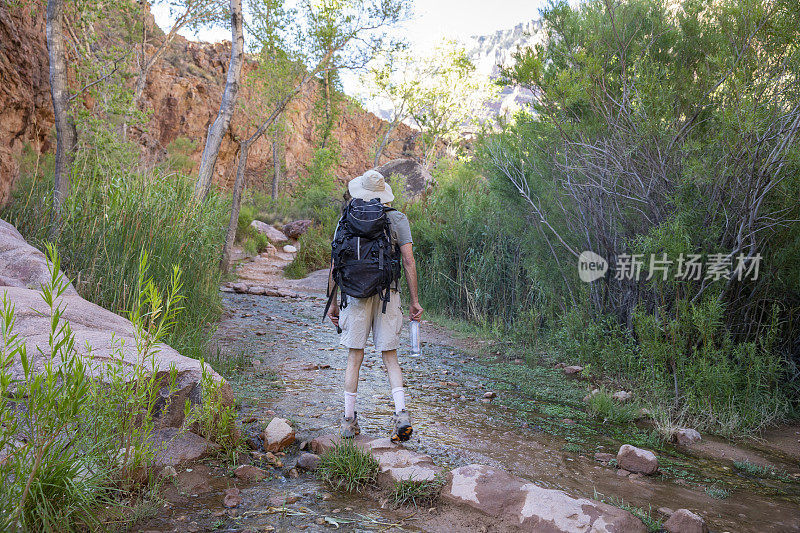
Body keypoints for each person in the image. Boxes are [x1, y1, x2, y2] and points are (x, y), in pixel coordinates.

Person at [326, 169, 423, 442]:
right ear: (384, 193)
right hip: (388, 295)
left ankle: (347, 421)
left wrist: (332, 303)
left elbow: (336, 263)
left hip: (354, 296)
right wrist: (414, 301)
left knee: (354, 357)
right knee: (390, 356)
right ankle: (402, 415)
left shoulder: (346, 219)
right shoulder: (398, 218)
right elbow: (408, 261)